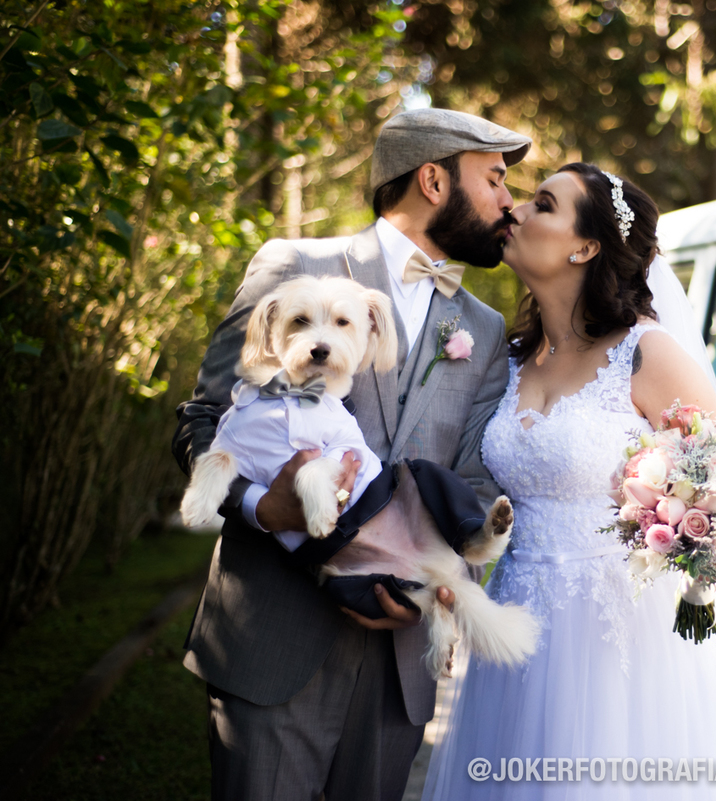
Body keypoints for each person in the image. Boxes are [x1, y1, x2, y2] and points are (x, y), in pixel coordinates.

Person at [171, 108, 531, 800]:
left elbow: (476, 478)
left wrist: (443, 580)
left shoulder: (482, 329)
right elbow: (205, 414)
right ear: (433, 179)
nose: (508, 200)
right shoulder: (292, 266)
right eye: (494, 179)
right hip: (273, 641)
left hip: (397, 665)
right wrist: (255, 502)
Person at [421, 163, 716, 800]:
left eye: (542, 204)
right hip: (514, 622)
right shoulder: (506, 358)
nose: (516, 212)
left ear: (585, 246)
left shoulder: (648, 355)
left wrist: (696, 558)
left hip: (619, 644)